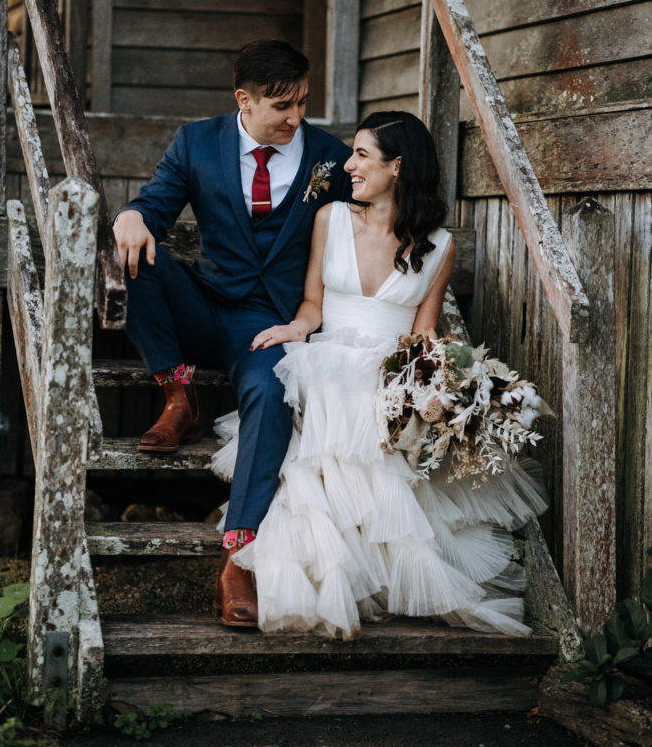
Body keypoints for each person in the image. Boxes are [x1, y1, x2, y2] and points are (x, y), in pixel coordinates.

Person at [211, 110, 548, 638]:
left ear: (397, 166)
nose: (348, 165)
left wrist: (456, 379)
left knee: (377, 413)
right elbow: (312, 305)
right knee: (326, 404)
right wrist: (292, 331)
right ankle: (263, 565)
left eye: (362, 155)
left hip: (390, 369)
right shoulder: (331, 219)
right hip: (325, 357)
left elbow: (427, 331)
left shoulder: (438, 244)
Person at [112, 39, 352, 627]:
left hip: (267, 326)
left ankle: (238, 559)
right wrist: (129, 216)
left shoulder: (327, 155)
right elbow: (155, 207)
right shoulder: (197, 142)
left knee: (270, 396)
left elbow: (371, 221)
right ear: (243, 100)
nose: (296, 118)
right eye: (281, 106)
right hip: (205, 303)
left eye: (302, 103)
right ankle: (178, 396)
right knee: (132, 253)